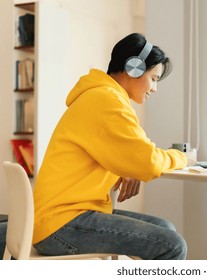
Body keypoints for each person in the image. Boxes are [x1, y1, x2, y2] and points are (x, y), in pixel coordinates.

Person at [32, 33, 188, 260]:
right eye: (154, 78)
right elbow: (149, 163)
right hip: (62, 222)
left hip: (63, 216)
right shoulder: (107, 101)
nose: (154, 89)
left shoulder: (102, 96)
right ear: (133, 68)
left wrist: (128, 167)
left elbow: (134, 156)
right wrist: (183, 157)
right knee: (172, 245)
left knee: (165, 227)